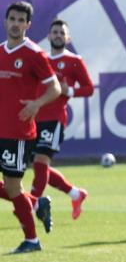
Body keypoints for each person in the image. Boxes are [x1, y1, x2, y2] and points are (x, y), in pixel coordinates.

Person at [0, 1, 61, 253]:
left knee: (13, 186)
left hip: (18, 132)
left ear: (27, 24)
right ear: (6, 21)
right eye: (11, 18)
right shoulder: (0, 51)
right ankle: (36, 204)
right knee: (14, 188)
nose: (15, 23)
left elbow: (55, 88)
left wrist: (37, 103)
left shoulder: (34, 54)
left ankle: (32, 239)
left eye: (20, 20)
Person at [29, 18, 94, 231]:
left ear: (68, 38)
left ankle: (32, 203)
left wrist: (70, 91)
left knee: (40, 162)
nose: (57, 35)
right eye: (54, 32)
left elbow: (89, 88)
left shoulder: (74, 60)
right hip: (33, 119)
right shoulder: (42, 59)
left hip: (54, 119)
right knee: (40, 165)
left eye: (61, 32)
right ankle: (75, 193)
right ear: (48, 36)